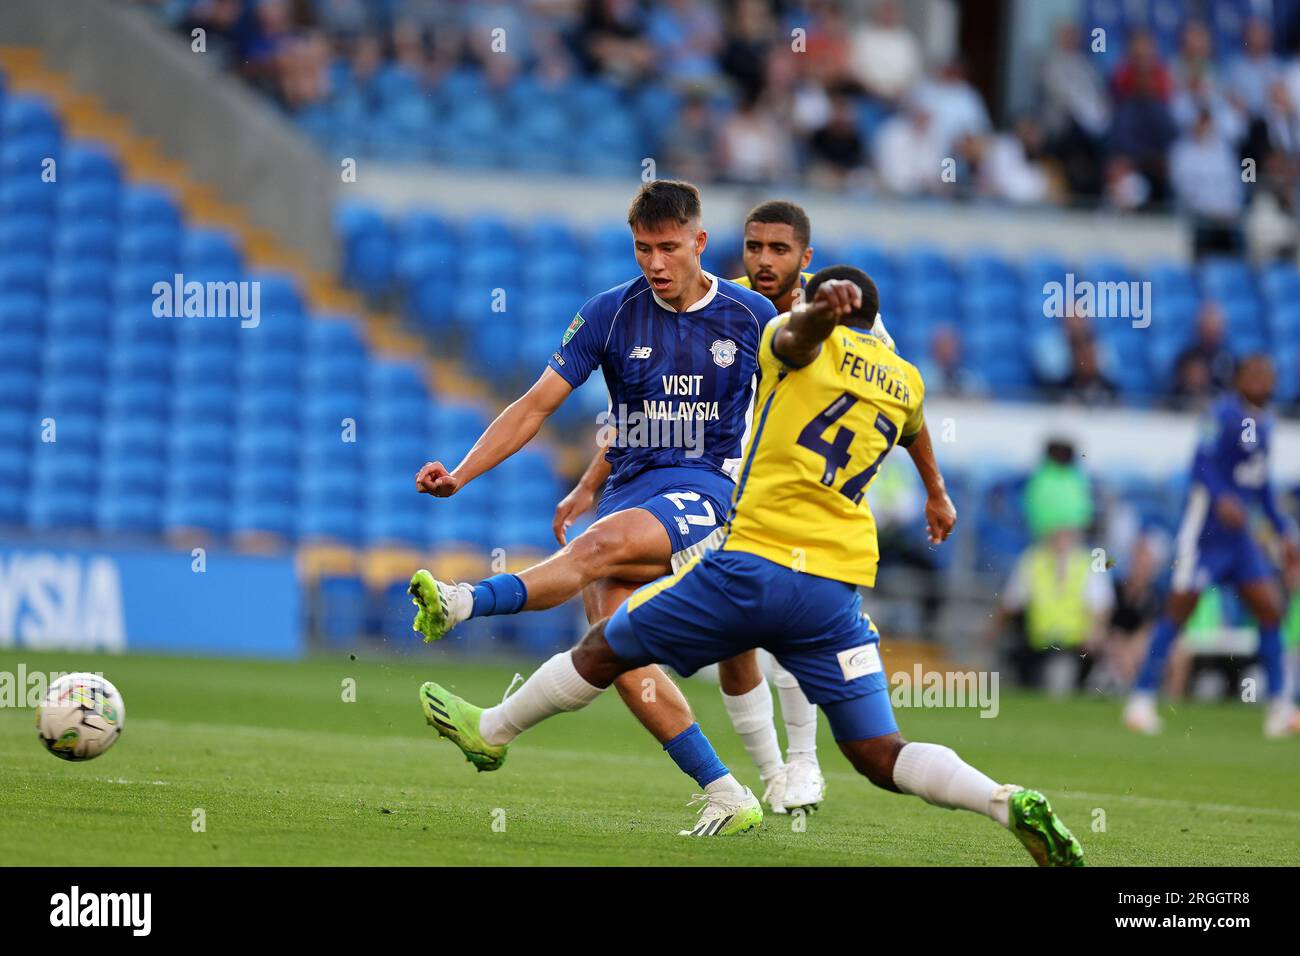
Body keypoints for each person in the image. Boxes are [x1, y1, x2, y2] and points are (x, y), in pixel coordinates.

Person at [417, 267, 1086, 866]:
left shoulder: (788, 346)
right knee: (883, 754)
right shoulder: (905, 383)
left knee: (604, 646)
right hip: (835, 592)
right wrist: (937, 493)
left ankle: (493, 728)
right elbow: (914, 431)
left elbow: (796, 342)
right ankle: (1003, 801)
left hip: (756, 564)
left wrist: (815, 318)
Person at [409, 180, 776, 835]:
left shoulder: (752, 317)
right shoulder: (609, 314)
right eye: (642, 249)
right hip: (630, 489)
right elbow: (535, 405)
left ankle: (461, 602)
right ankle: (725, 792)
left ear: (700, 243)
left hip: (706, 493)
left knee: (597, 548)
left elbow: (803, 399)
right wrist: (465, 474)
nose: (655, 264)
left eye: (668, 248)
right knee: (617, 654)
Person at [554, 200, 896, 817]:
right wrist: (588, 483)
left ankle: (802, 763)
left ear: (806, 259)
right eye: (755, 247)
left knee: (788, 627)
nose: (764, 261)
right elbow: (654, 414)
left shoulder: (856, 332)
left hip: (805, 503)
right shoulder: (729, 307)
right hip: (723, 489)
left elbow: (884, 414)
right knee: (741, 646)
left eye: (779, 250)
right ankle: (769, 775)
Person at [1125, 355, 1300, 738]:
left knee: (1270, 611)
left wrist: (1283, 527)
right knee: (1178, 612)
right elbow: (1200, 465)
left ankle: (1279, 707)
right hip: (1204, 536)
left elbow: (1261, 485)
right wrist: (1221, 498)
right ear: (1239, 380)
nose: (1261, 383)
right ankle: (1140, 699)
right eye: (1254, 375)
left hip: (1240, 541)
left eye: (1267, 376)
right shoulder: (1219, 416)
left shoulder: (1264, 427)